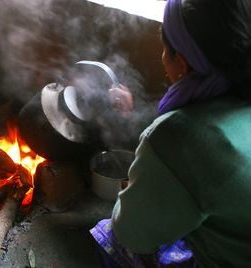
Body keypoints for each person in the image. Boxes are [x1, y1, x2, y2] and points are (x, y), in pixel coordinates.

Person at [91, 0, 251, 267]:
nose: (162, 58)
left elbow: (132, 234)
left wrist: (134, 191)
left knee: (107, 235)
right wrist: (132, 111)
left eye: (165, 48)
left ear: (185, 63)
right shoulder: (236, 89)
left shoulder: (180, 138)